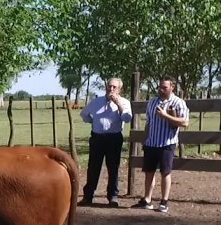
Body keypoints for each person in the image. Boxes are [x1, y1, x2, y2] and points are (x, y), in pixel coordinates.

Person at [134, 76, 189, 214]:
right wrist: (145, 139)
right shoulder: (152, 102)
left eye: (165, 87)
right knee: (149, 172)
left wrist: (166, 116)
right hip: (151, 142)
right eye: (160, 87)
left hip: (167, 143)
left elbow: (184, 122)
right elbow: (148, 122)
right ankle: (147, 199)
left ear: (172, 87)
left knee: (165, 172)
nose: (161, 90)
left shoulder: (178, 102)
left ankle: (164, 201)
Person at [78, 78, 133, 207]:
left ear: (120, 89)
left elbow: (127, 118)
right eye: (109, 86)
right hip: (98, 138)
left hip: (114, 138)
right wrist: (93, 122)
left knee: (113, 168)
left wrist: (118, 104)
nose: (111, 89)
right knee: (93, 167)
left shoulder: (124, 102)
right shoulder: (97, 102)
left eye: (114, 87)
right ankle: (88, 196)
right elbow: (84, 114)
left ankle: (113, 196)